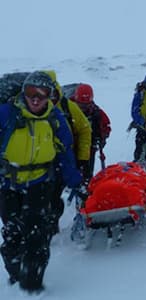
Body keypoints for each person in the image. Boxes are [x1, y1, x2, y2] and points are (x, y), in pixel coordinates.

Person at [0, 71, 82, 293]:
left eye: (42, 93)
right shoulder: (6, 114)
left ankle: (32, 283)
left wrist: (75, 181)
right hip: (8, 184)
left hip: (39, 184)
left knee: (37, 233)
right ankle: (16, 272)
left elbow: (65, 152)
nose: (35, 98)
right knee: (12, 232)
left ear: (50, 95)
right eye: (30, 92)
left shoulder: (55, 119)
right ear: (23, 93)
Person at [42, 71, 92, 233]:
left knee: (54, 195)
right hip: (37, 163)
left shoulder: (67, 106)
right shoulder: (31, 106)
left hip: (64, 160)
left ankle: (52, 223)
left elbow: (85, 130)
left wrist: (83, 157)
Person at [72, 83, 111, 176]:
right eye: (80, 105)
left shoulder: (96, 112)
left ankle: (86, 185)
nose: (83, 108)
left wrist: (103, 137)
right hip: (70, 148)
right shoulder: (67, 109)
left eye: (86, 105)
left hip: (89, 148)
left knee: (87, 173)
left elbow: (107, 125)